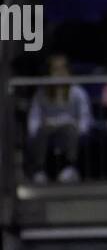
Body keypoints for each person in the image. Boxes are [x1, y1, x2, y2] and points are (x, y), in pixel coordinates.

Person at [27, 54, 92, 184]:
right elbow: (34, 116)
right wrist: (34, 132)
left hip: (70, 129)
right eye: (55, 70)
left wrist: (81, 129)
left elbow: (85, 116)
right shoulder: (42, 93)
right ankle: (40, 170)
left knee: (70, 129)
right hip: (48, 127)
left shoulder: (77, 92)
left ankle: (70, 167)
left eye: (63, 69)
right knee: (41, 130)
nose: (60, 73)